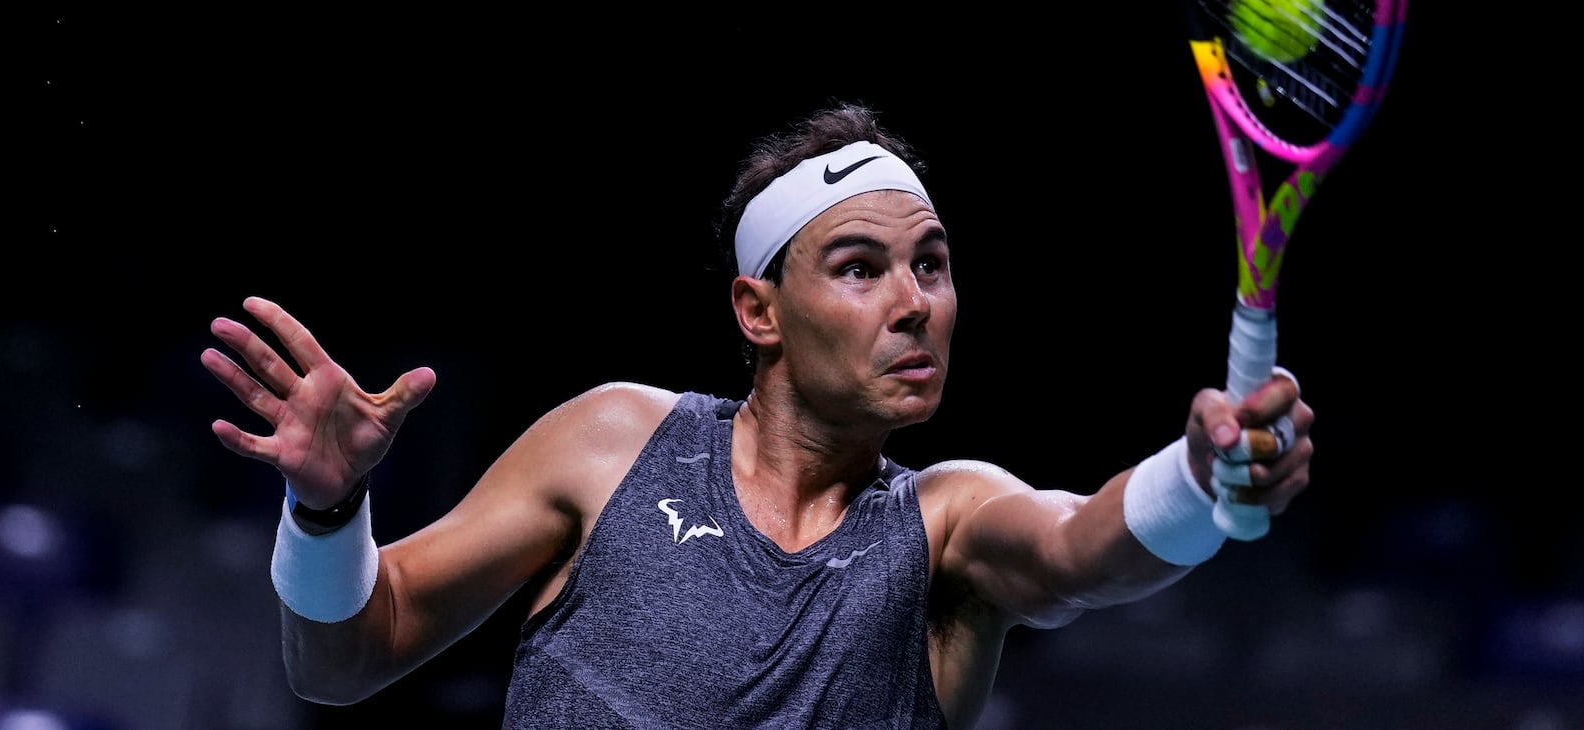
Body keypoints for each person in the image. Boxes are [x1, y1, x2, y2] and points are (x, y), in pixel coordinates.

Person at [201, 101, 1314, 729]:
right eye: (860, 267)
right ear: (759, 309)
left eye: (931, 264)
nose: (914, 303)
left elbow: (1079, 549)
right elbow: (342, 659)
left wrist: (1200, 483)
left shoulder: (945, 526)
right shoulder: (612, 444)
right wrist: (330, 508)